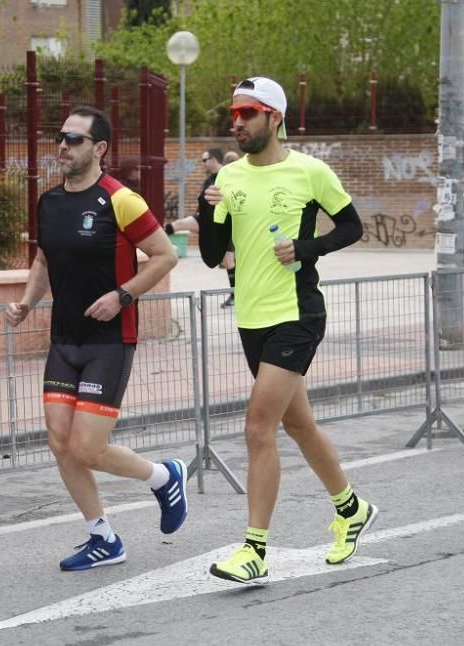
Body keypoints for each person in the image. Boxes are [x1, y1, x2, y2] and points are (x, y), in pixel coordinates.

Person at [195, 76, 376, 585]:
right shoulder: (228, 179)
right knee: (299, 426)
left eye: (247, 113)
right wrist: (208, 213)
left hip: (296, 314)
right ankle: (351, 508)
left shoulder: (309, 171)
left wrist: (306, 248)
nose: (237, 123)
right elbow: (213, 256)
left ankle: (255, 549)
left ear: (274, 117)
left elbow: (351, 227)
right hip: (250, 318)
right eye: (233, 115)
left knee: (258, 427)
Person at [4, 106, 188, 571]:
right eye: (61, 137)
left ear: (99, 148)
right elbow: (44, 261)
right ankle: (102, 537)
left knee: (88, 447)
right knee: (60, 441)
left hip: (109, 341)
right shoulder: (49, 202)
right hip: (64, 341)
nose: (62, 146)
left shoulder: (121, 199)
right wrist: (26, 301)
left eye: (74, 139)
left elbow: (165, 256)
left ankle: (164, 477)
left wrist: (122, 296)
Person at [165, 147, 238, 307]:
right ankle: (159, 246)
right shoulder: (209, 179)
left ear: (213, 159)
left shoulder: (227, 176)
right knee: (179, 224)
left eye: (205, 160)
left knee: (228, 259)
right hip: (207, 220)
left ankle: (236, 295)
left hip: (225, 224)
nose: (203, 163)